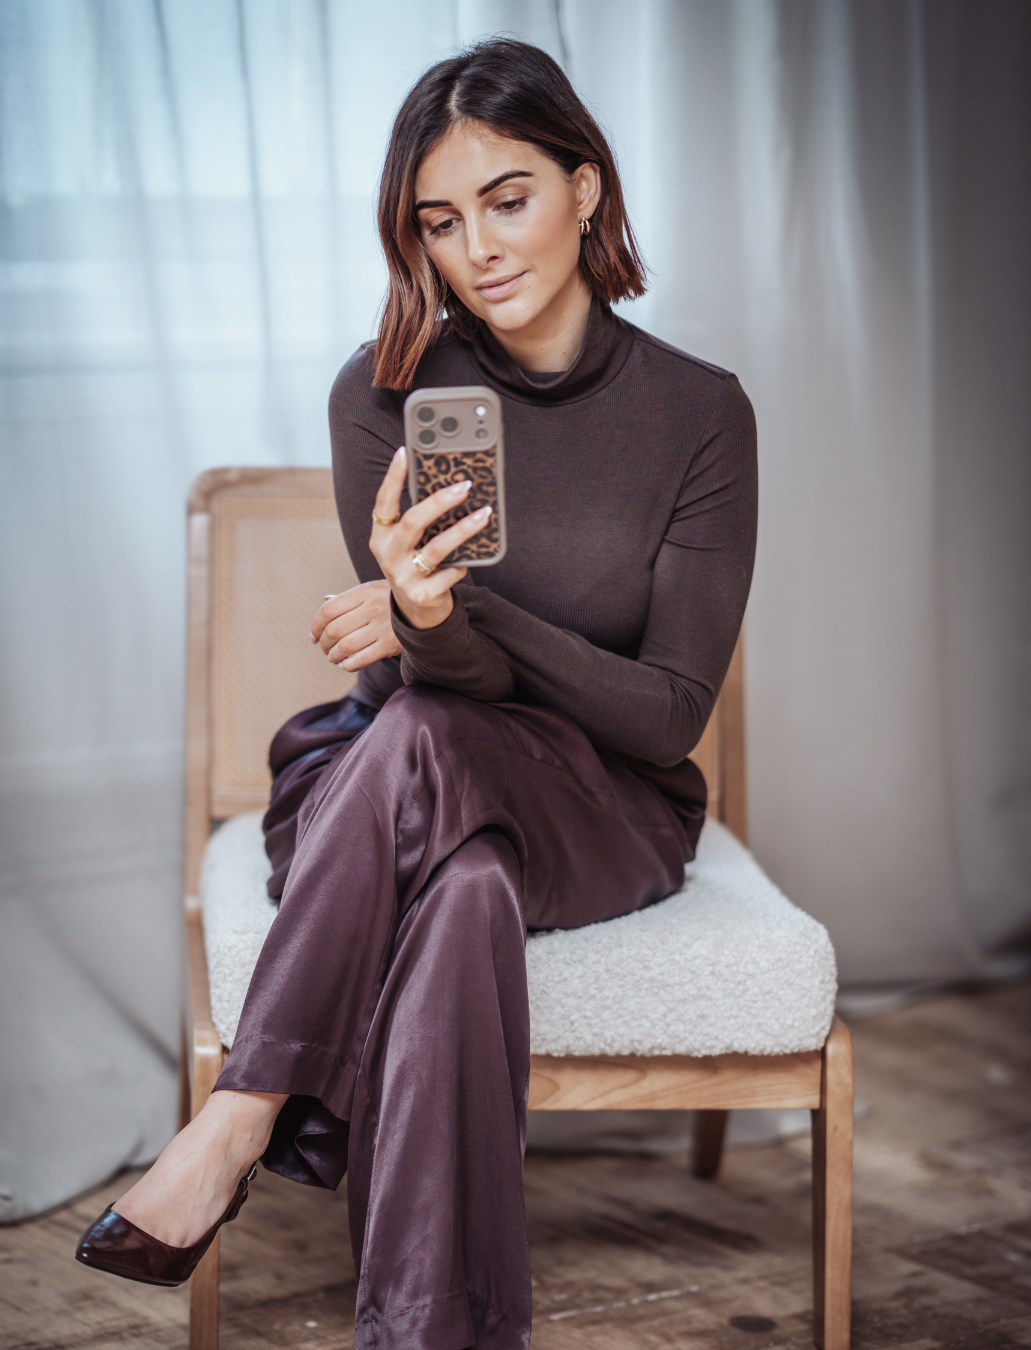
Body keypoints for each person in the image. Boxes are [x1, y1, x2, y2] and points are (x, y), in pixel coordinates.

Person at [76, 37, 757, 1350]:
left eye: (508, 198)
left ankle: (244, 1106)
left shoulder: (701, 414)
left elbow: (669, 710)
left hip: (607, 806)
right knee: (460, 885)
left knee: (440, 740)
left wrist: (465, 605)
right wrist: (426, 621)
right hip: (406, 776)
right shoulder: (385, 394)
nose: (479, 248)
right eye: (439, 222)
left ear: (587, 189)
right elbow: (430, 692)